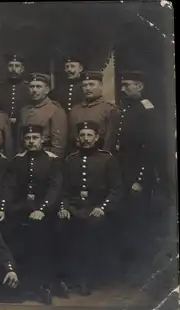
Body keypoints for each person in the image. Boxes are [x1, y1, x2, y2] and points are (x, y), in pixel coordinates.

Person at [57, 120, 123, 296]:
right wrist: (64, 207)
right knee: (60, 226)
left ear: (96, 137)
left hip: (96, 208)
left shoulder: (107, 159)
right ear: (78, 138)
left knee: (91, 230)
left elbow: (116, 189)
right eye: (82, 135)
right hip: (74, 208)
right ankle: (67, 278)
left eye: (89, 135)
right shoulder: (70, 160)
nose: (86, 139)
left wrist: (103, 207)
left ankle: (87, 279)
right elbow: (63, 189)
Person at [0, 124, 63, 304]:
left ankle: (42, 285)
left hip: (45, 211)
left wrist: (42, 209)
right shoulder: (18, 160)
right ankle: (20, 284)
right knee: (13, 238)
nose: (31, 141)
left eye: (35, 138)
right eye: (27, 138)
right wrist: (3, 208)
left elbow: (55, 188)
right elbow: (9, 186)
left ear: (42, 140)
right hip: (20, 209)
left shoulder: (52, 160)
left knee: (40, 240)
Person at [114, 70, 160, 276]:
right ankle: (126, 270)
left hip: (136, 177)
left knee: (139, 223)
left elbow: (150, 149)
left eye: (128, 85)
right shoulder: (126, 109)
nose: (123, 89)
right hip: (122, 174)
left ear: (140, 86)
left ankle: (142, 272)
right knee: (125, 221)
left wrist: (140, 180)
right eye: (122, 85)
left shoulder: (146, 110)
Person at [18, 72, 68, 157]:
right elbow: (19, 140)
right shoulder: (24, 111)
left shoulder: (55, 110)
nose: (34, 90)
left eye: (38, 87)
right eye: (32, 87)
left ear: (47, 90)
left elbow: (58, 144)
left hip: (46, 156)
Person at [68, 70, 120, 152]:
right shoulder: (75, 110)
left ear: (101, 86)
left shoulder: (110, 109)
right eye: (84, 85)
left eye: (91, 84)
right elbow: (72, 138)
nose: (88, 88)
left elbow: (110, 140)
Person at [0, 52, 30, 150]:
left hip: (23, 129)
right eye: (11, 66)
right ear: (7, 67)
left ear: (22, 69)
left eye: (17, 66)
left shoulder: (29, 88)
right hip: (3, 129)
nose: (13, 69)